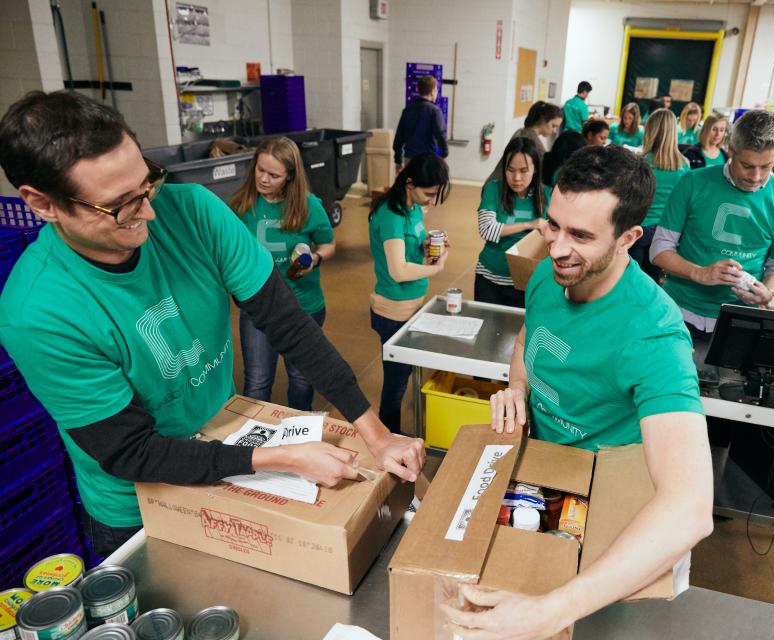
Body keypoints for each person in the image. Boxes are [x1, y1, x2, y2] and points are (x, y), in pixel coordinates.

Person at [0, 91, 425, 557]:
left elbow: (291, 326)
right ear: (43, 205)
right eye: (120, 204)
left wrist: (376, 434)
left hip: (225, 445)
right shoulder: (39, 312)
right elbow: (131, 451)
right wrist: (280, 459)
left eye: (148, 184)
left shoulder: (195, 211)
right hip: (138, 507)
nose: (149, 212)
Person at [443, 145, 712, 639]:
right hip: (544, 477)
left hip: (610, 505)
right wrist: (518, 387)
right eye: (553, 225)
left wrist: (551, 611)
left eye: (581, 235)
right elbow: (529, 339)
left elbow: (690, 507)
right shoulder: (551, 272)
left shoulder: (652, 334)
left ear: (629, 237)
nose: (557, 247)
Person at [651, 109, 774, 341]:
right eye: (747, 165)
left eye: (767, 166)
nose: (756, 176)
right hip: (678, 311)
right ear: (730, 149)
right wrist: (699, 273)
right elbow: (660, 249)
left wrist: (767, 292)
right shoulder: (692, 183)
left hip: (739, 320)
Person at [229, 137, 336, 411]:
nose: (263, 179)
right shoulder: (241, 205)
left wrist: (315, 258)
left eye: (274, 175)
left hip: (303, 307)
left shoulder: (308, 205)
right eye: (260, 170)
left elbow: (328, 243)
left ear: (290, 176)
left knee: (301, 380)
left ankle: (301, 439)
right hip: (258, 308)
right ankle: (254, 445)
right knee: (256, 382)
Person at [369, 154, 451, 432]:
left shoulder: (413, 208)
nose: (432, 200)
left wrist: (427, 245)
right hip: (393, 310)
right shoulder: (391, 215)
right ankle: (388, 436)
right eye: (429, 193)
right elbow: (399, 270)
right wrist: (436, 269)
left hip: (413, 305)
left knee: (404, 375)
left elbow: (410, 251)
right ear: (409, 183)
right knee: (396, 383)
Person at [475, 137, 550, 308]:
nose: (516, 178)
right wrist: (529, 225)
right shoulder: (493, 189)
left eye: (524, 171)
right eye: (510, 170)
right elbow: (487, 229)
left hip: (527, 281)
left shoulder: (547, 195)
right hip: (489, 277)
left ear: (535, 169)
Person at [629, 108, 689, 282]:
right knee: (652, 283)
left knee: (630, 281)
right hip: (666, 233)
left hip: (640, 228)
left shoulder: (640, 161)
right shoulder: (684, 166)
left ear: (650, 130)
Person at [393, 75, 448, 174]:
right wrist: (445, 153)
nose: (436, 93)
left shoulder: (407, 111)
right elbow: (440, 134)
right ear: (432, 92)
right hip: (427, 161)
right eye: (436, 90)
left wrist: (398, 160)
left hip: (409, 159)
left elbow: (399, 138)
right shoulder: (435, 111)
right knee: (426, 188)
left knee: (411, 187)